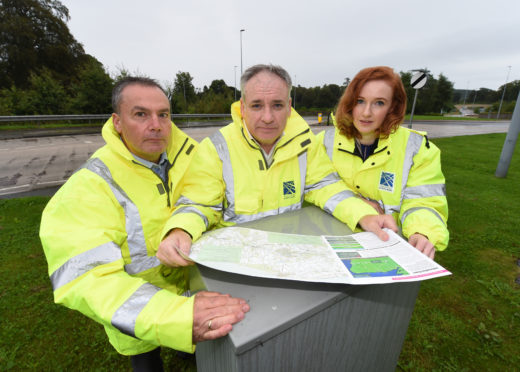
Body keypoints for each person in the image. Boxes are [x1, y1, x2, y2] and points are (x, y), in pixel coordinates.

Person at [39, 77, 250, 371]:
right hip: (139, 311)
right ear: (117, 122)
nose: (156, 125)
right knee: (147, 362)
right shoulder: (89, 187)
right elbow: (89, 278)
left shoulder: (194, 155)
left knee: (195, 351)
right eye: (141, 114)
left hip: (192, 291)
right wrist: (173, 317)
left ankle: (185, 351)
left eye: (163, 114)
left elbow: (215, 204)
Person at [156, 64, 398, 267]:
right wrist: (180, 231)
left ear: (289, 106)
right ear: (242, 107)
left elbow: (327, 186)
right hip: (236, 262)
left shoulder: (305, 144)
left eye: (277, 105)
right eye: (257, 105)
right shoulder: (216, 148)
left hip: (288, 257)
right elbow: (199, 203)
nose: (268, 117)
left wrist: (363, 214)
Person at [317, 66, 449, 258]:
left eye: (379, 103)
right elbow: (319, 186)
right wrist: (358, 204)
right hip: (331, 244)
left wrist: (422, 232)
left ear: (392, 108)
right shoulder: (323, 142)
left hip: (388, 249)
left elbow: (425, 201)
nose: (366, 112)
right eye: (360, 101)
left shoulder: (418, 148)